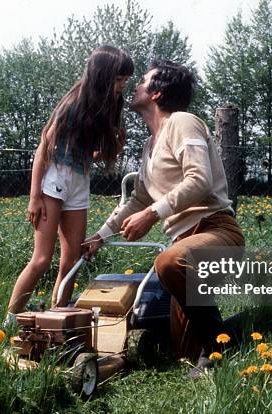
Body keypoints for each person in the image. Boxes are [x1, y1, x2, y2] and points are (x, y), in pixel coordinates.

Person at [83, 60, 244, 378]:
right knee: (182, 351)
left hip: (217, 231)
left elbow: (200, 181)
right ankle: (246, 327)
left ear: (157, 92)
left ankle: (216, 351)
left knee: (169, 262)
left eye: (143, 81)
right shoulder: (149, 146)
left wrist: (152, 214)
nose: (136, 86)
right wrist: (100, 236)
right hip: (183, 246)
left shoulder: (183, 122)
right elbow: (138, 200)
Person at [4, 45, 133, 325]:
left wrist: (117, 147)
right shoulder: (74, 103)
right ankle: (9, 320)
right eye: (119, 79)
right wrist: (34, 195)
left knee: (72, 259)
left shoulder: (105, 107)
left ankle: (57, 320)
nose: (123, 86)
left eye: (126, 80)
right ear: (102, 75)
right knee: (41, 259)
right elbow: (44, 148)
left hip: (78, 181)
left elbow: (89, 156)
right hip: (53, 180)